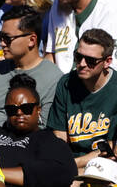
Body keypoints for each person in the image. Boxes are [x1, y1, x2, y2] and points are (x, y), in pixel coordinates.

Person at [0, 4, 64, 124]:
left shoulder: (53, 78)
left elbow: (45, 127)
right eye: (1, 37)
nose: (2, 44)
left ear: (32, 40)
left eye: (7, 38)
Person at [48, 27, 117, 169]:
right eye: (78, 57)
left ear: (107, 61)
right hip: (68, 162)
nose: (82, 64)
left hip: (105, 164)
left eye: (91, 60)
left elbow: (110, 149)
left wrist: (72, 164)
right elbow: (60, 138)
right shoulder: (66, 83)